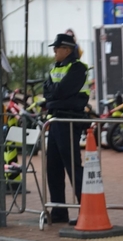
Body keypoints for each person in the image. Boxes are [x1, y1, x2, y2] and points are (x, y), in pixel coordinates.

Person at [43, 33, 90, 224]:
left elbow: (61, 91)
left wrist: (54, 96)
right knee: (53, 167)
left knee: (73, 167)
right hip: (55, 120)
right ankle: (59, 211)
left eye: (57, 48)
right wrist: (54, 96)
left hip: (70, 120)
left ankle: (86, 210)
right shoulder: (56, 67)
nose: (54, 51)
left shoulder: (78, 68)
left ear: (68, 50)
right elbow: (48, 93)